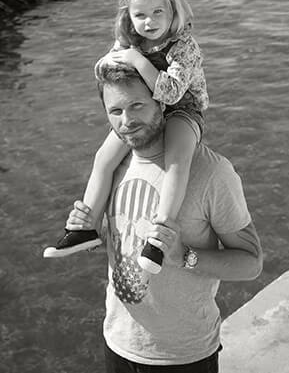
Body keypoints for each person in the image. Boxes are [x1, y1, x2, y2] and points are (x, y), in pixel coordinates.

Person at [66, 62, 262, 371]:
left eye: (137, 106)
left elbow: (251, 262)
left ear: (161, 100)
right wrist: (92, 235)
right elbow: (121, 241)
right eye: (115, 111)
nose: (127, 121)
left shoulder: (211, 173)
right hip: (118, 343)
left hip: (183, 355)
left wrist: (183, 256)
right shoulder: (117, 164)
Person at [44, 0, 209, 274]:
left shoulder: (184, 45)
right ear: (129, 16)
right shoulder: (132, 40)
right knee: (104, 157)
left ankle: (159, 236)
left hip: (182, 109)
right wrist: (115, 57)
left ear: (174, 7)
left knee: (176, 159)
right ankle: (86, 226)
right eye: (140, 15)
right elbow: (103, 71)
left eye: (158, 11)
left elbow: (172, 92)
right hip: (144, 108)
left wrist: (136, 60)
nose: (150, 22)